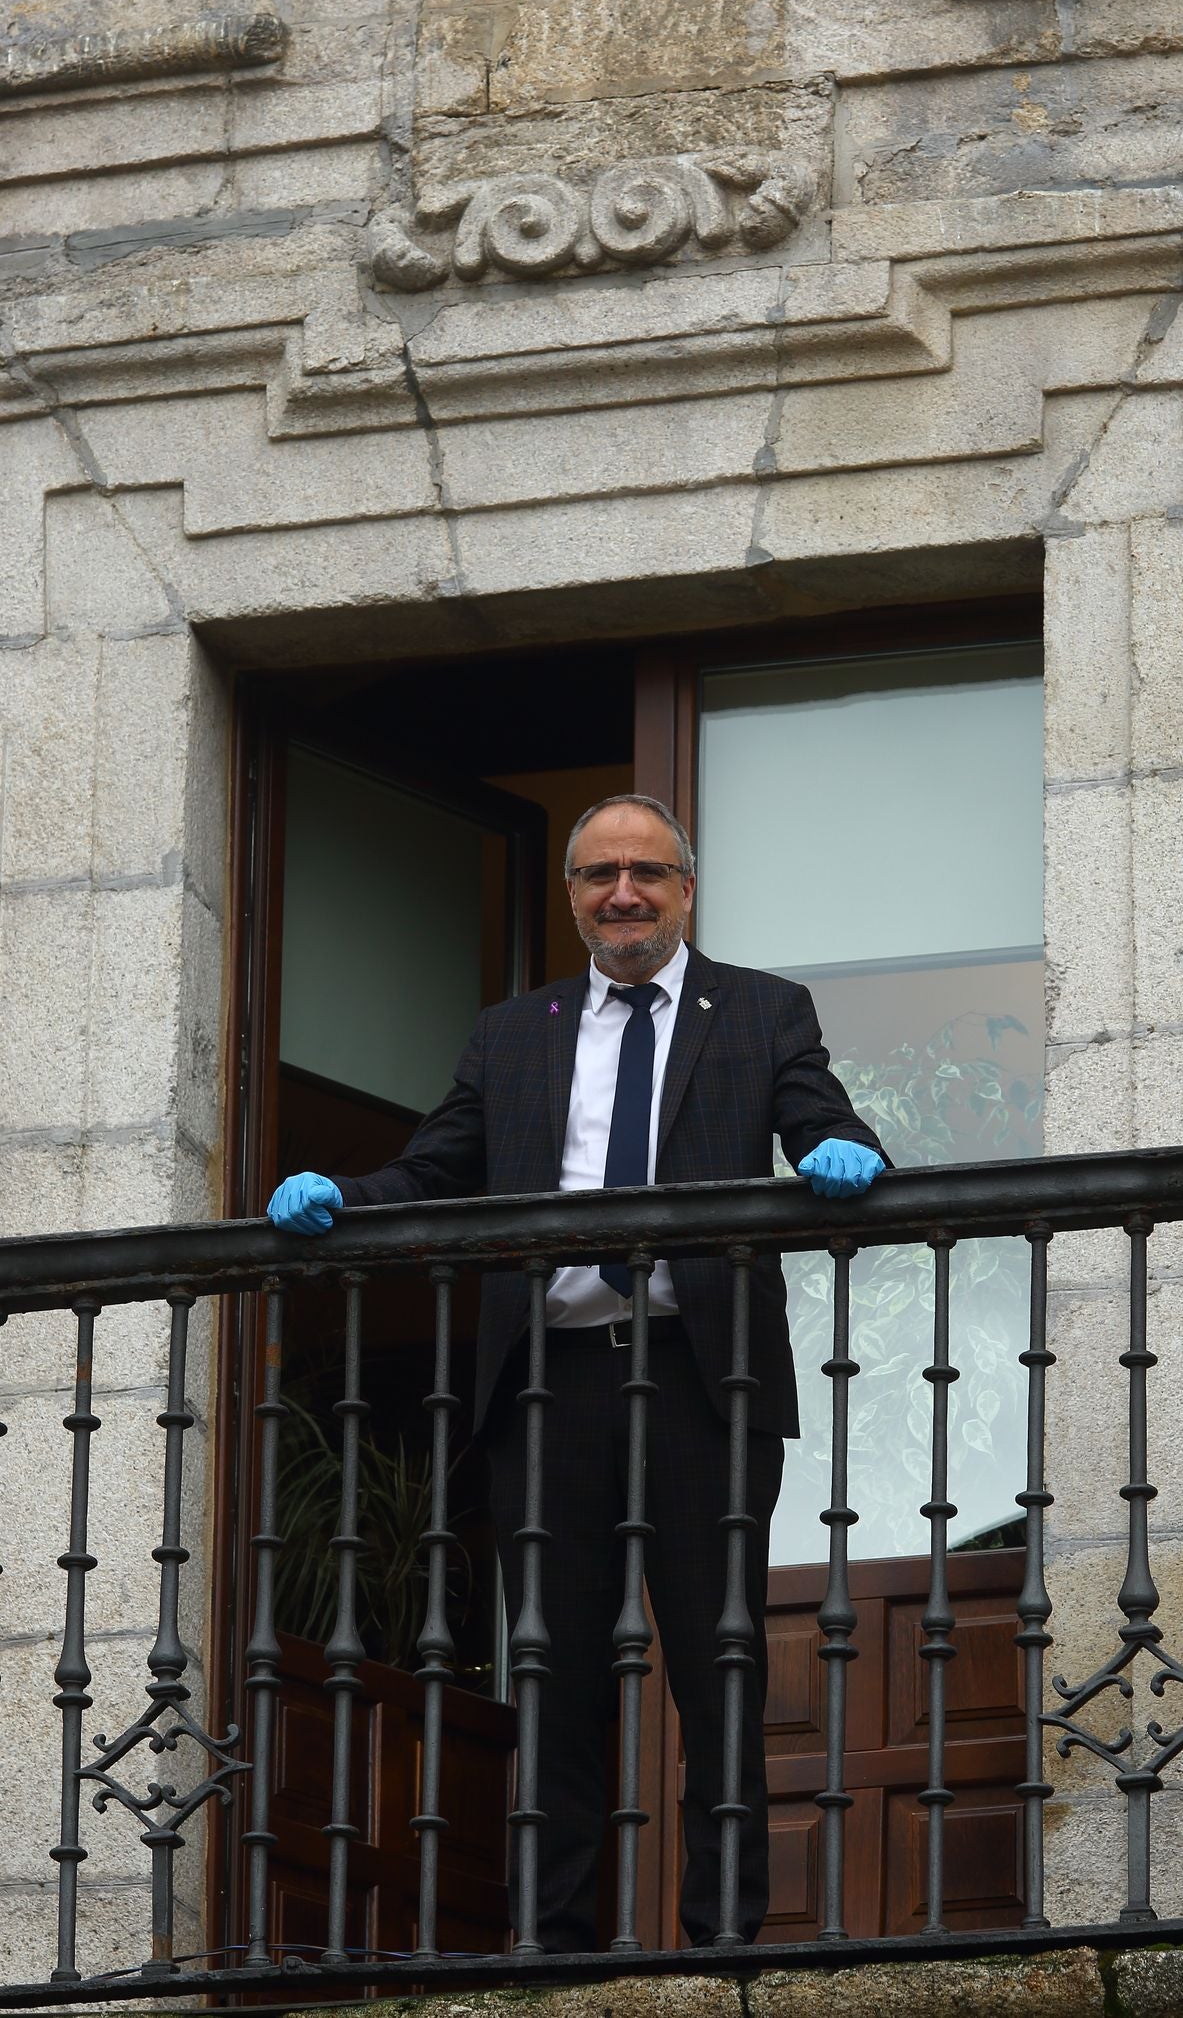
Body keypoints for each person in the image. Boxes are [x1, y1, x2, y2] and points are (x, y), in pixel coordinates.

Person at [268, 793, 887, 1951]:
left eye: (647, 871)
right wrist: (344, 1199)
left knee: (721, 1660)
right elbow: (440, 1166)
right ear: (571, 896)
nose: (624, 894)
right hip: (550, 1385)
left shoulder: (759, 1009)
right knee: (553, 1668)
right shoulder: (515, 1031)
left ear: (686, 887)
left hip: (709, 1379)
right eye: (600, 874)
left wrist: (837, 1151)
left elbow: (819, 1114)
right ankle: (552, 1939)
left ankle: (723, 1939)